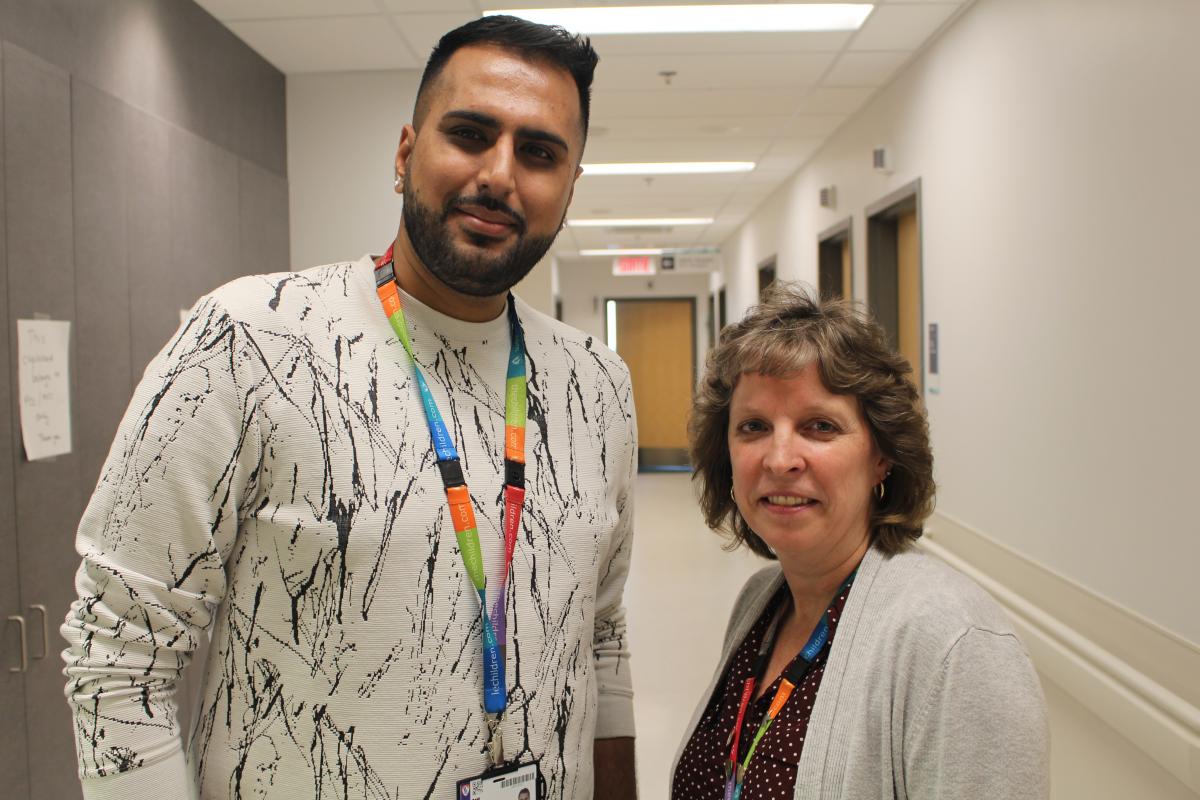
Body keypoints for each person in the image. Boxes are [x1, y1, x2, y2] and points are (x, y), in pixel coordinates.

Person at [62, 16, 637, 800]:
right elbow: (117, 659)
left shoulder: (596, 384)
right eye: (470, 134)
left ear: (568, 189)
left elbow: (599, 639)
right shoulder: (248, 341)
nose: (501, 174)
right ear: (406, 155)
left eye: (539, 153)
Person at [671, 284, 1048, 799]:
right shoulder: (760, 603)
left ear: (881, 457)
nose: (780, 459)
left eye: (819, 426)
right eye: (754, 426)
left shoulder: (954, 644)